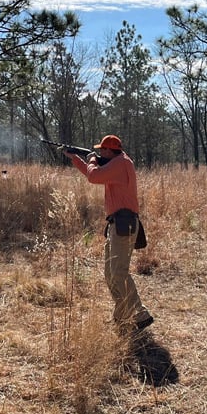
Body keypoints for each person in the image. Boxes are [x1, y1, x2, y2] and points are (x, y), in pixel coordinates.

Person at [63, 134, 153, 333]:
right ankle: (122, 316)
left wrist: (92, 159)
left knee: (119, 273)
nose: (99, 153)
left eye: (102, 150)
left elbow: (94, 176)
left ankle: (140, 313)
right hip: (116, 224)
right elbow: (92, 175)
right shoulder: (116, 164)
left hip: (124, 223)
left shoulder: (121, 163)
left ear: (109, 151)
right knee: (110, 274)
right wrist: (76, 159)